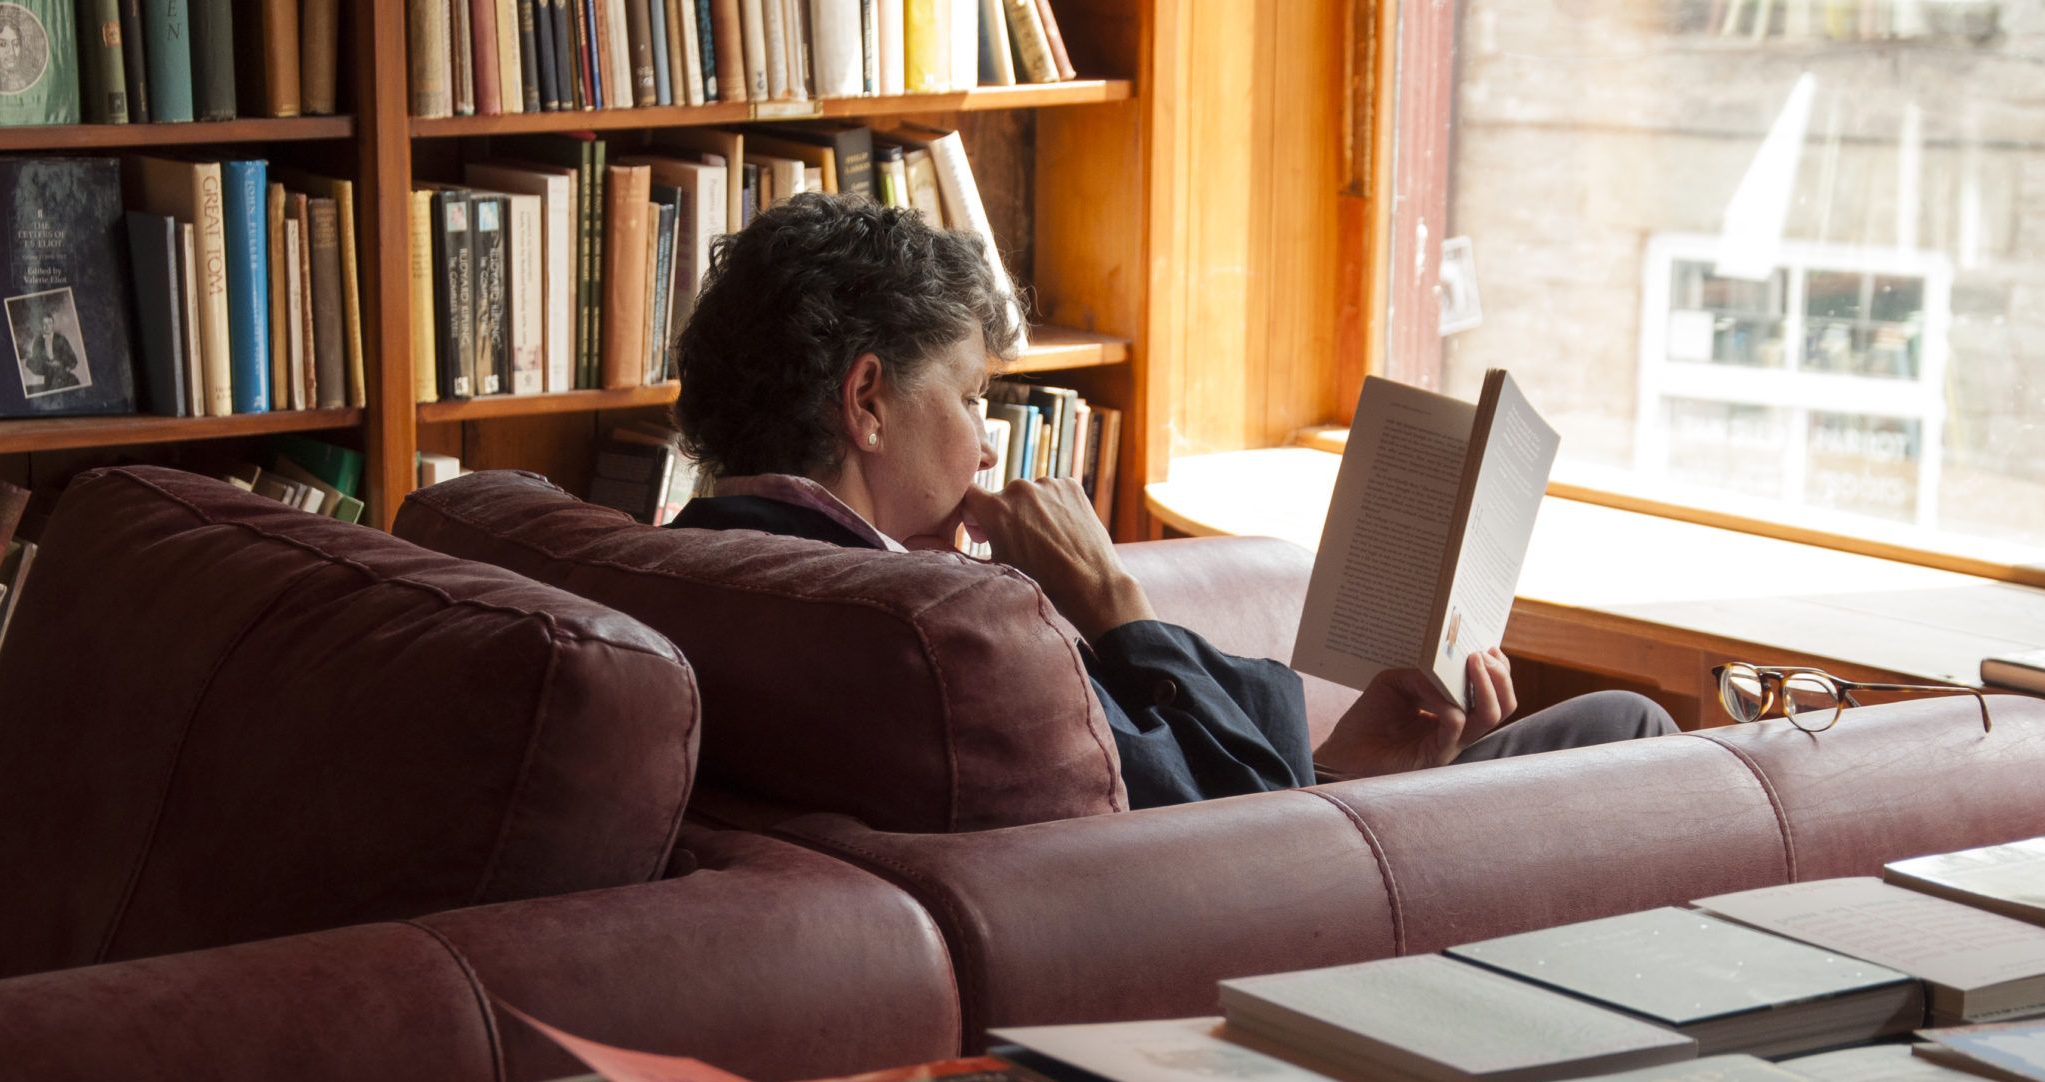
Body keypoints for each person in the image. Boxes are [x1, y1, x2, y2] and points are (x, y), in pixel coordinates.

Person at [670, 194, 1674, 809]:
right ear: (867, 400)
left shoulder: (684, 561)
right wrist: (1103, 590)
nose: (985, 441)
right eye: (971, 396)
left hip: (1260, 826)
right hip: (1270, 894)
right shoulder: (949, 627)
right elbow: (1237, 825)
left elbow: (1191, 787)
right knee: (1627, 725)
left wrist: (1332, 760)